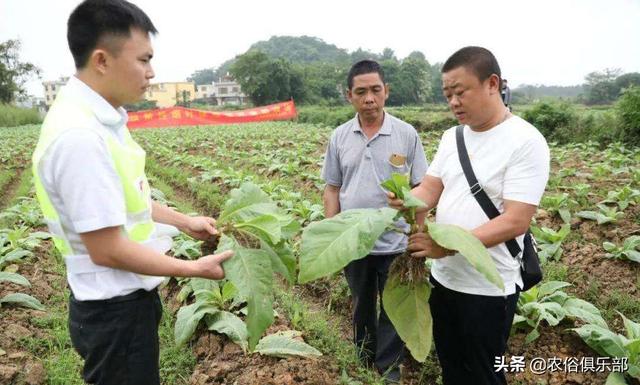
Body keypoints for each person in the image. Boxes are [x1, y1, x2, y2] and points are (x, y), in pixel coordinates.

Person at [31, 1, 233, 384]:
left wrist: (184, 221)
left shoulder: (99, 119)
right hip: (113, 311)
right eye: (144, 59)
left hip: (122, 304)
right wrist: (192, 270)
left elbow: (126, 200)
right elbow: (106, 248)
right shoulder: (81, 137)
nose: (151, 72)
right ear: (102, 60)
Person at [388, 47, 550, 385]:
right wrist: (405, 197)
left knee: (483, 373)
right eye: (448, 94)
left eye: (460, 92)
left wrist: (447, 246)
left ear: (492, 84)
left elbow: (515, 220)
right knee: (451, 367)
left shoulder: (525, 141)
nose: (453, 102)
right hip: (445, 279)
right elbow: (430, 189)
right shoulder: (453, 137)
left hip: (489, 288)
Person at [322, 59, 428, 383]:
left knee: (394, 309)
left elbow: (422, 188)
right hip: (355, 241)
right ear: (349, 95)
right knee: (361, 305)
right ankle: (363, 359)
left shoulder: (406, 134)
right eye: (361, 91)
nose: (369, 98)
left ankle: (389, 368)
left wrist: (418, 234)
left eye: (375, 90)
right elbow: (332, 189)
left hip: (395, 240)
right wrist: (332, 235)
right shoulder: (340, 137)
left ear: (386, 92)